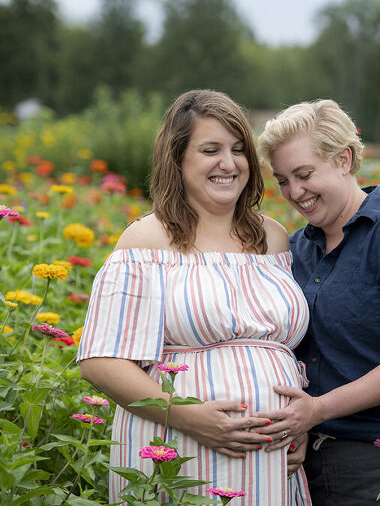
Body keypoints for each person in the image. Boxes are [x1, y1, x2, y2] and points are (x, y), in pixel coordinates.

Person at [76, 90, 312, 505]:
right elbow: (100, 360)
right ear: (178, 159)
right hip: (178, 444)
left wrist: (301, 422)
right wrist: (188, 417)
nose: (229, 163)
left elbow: (290, 352)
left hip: (272, 455)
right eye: (210, 149)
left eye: (239, 150)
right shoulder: (147, 239)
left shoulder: (273, 237)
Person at [255, 100, 380, 505]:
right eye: (282, 180)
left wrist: (317, 409)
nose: (295, 193)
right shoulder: (294, 249)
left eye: (304, 174)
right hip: (311, 461)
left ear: (344, 159)